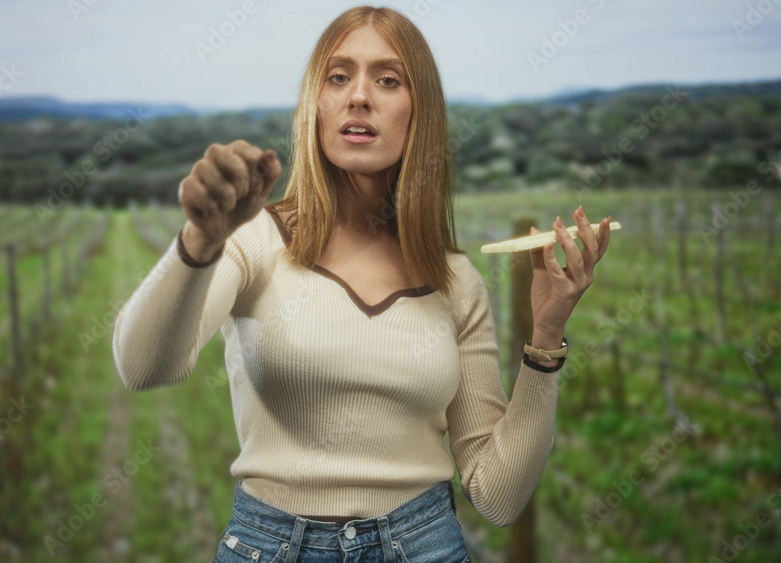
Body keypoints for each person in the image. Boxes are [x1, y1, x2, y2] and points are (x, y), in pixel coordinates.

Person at [111, 5, 611, 562]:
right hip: (270, 547)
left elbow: (496, 496)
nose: (359, 96)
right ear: (315, 104)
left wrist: (547, 337)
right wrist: (199, 243)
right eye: (338, 76)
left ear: (419, 112)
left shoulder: (455, 282)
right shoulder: (254, 239)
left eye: (388, 79)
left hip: (425, 547)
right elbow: (142, 366)